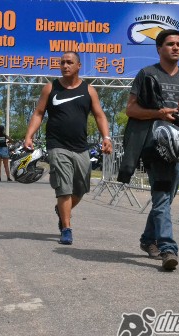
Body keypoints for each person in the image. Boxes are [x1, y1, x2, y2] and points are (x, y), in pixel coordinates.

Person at [122, 29, 179, 270]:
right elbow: (131, 110)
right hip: (153, 147)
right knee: (161, 196)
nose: (176, 47)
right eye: (170, 44)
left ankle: (148, 239)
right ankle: (168, 249)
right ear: (159, 48)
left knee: (166, 199)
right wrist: (158, 113)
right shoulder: (147, 74)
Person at [23, 51, 112, 245]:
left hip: (81, 147)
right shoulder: (50, 88)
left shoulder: (89, 90)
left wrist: (106, 137)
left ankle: (62, 210)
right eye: (62, 62)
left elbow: (99, 115)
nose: (65, 65)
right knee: (64, 186)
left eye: (69, 62)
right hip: (57, 144)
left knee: (80, 189)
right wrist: (29, 135)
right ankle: (66, 228)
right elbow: (38, 113)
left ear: (78, 66)